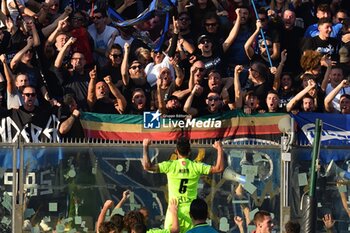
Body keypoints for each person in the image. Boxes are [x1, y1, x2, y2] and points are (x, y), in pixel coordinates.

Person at [142, 137, 224, 233]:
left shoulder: (170, 165)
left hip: (174, 208)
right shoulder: (195, 166)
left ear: (176, 151)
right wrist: (219, 149)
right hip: (190, 212)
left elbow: (147, 166)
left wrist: (145, 146)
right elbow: (219, 168)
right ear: (189, 151)